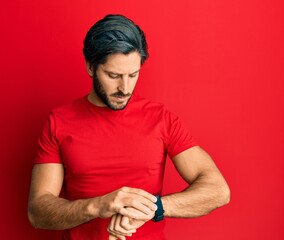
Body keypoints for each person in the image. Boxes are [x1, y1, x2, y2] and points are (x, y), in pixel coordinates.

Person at [28, 14, 230, 240]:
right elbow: (37, 211)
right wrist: (98, 206)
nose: (124, 88)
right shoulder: (59, 121)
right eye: (113, 75)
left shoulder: (161, 119)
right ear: (90, 67)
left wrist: (152, 208)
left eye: (133, 75)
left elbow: (218, 191)